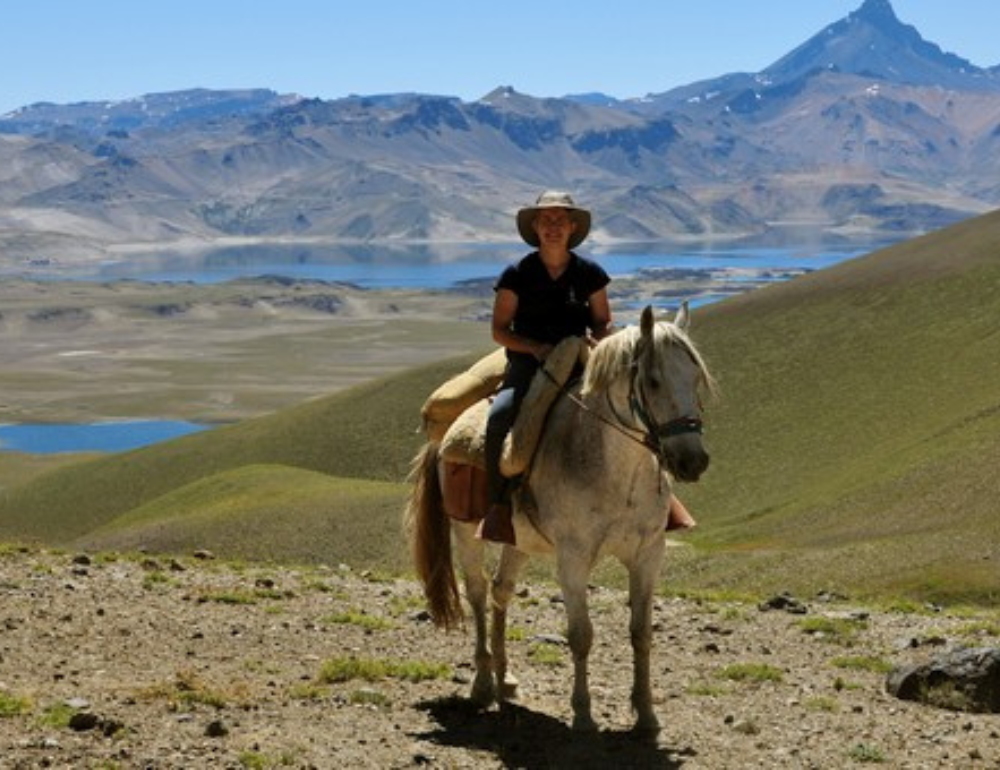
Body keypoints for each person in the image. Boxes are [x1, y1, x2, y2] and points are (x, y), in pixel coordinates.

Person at [478, 190, 613, 545]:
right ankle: (499, 507)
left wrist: (595, 341)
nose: (553, 227)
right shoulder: (517, 274)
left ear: (572, 227)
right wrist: (535, 348)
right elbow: (499, 330)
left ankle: (655, 500)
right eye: (546, 220)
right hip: (528, 364)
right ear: (536, 227)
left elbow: (602, 321)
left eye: (560, 220)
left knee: (624, 407)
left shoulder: (590, 273)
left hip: (577, 361)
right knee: (499, 417)